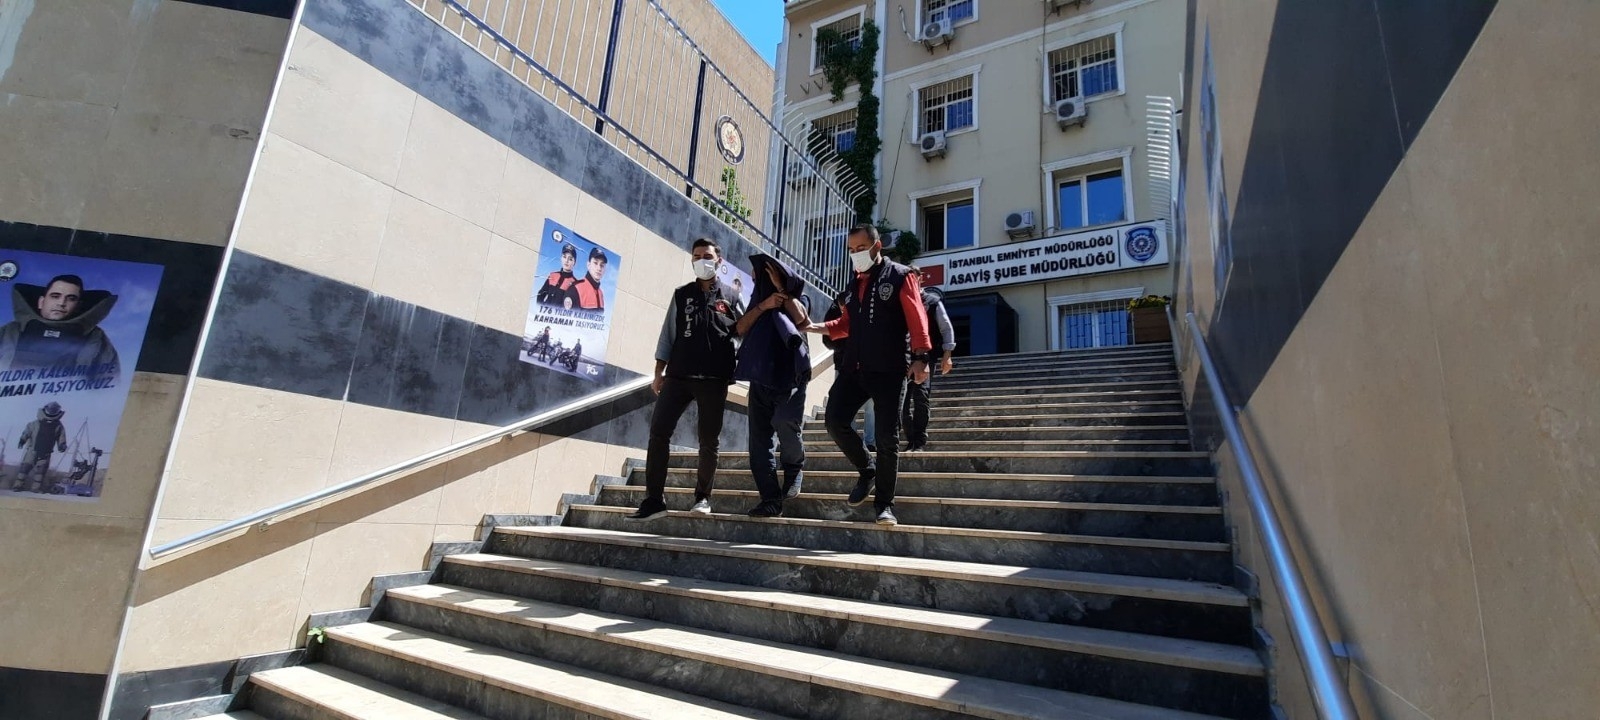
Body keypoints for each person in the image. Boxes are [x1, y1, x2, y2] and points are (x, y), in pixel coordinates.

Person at [804, 225, 932, 526]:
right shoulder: (853, 284)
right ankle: (867, 469)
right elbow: (845, 325)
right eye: (851, 250)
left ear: (877, 247)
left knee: (887, 438)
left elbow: (917, 318)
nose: (855, 254)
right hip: (855, 367)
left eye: (860, 248)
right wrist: (814, 326)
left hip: (889, 369)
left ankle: (884, 504)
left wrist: (921, 358)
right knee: (834, 420)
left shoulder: (900, 275)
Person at [626, 239, 741, 522]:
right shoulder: (682, 295)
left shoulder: (732, 296)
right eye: (697, 256)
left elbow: (745, 332)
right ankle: (654, 500)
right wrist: (658, 372)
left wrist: (736, 358)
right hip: (678, 376)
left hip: (714, 379)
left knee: (708, 441)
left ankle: (702, 497)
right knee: (658, 432)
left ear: (719, 261)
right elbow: (668, 335)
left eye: (707, 256)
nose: (702, 260)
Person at [734, 255, 811, 518]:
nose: (754, 277)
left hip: (791, 377)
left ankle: (794, 468)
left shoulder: (796, 297)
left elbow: (801, 320)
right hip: (760, 378)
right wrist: (763, 305)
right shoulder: (757, 300)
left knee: (785, 422)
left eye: (759, 274)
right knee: (759, 442)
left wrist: (781, 292)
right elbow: (740, 328)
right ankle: (770, 499)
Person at [0, 274, 121, 375]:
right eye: (55, 296)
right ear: (41, 302)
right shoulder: (9, 332)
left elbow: (109, 382)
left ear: (78, 306)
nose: (61, 303)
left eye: (71, 298)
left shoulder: (95, 338)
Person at [901, 267, 957, 451]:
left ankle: (919, 441)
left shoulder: (932, 302)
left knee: (920, 396)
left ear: (921, 279)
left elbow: (946, 328)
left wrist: (947, 354)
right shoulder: (901, 301)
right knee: (902, 402)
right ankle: (911, 438)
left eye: (914, 278)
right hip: (903, 358)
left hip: (925, 358)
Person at [12, 401, 68, 493]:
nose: (52, 411)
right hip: (32, 450)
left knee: (41, 471)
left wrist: (62, 445)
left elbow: (61, 436)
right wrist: (22, 440)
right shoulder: (35, 423)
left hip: (46, 452)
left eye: (54, 410)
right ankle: (17, 486)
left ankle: (36, 488)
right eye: (51, 409)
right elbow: (27, 431)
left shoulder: (58, 426)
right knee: (25, 468)